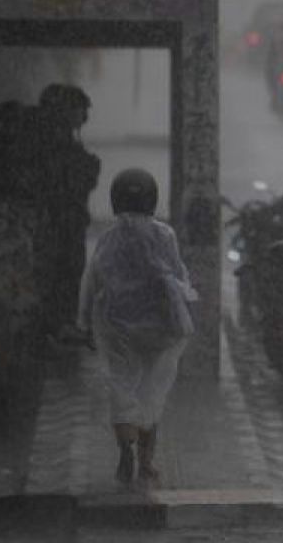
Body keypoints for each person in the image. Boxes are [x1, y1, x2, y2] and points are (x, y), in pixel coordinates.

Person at [76, 168, 197, 486]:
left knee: (122, 388)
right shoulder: (164, 235)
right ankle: (146, 463)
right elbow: (178, 276)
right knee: (151, 395)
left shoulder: (108, 238)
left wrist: (84, 322)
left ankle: (124, 453)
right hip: (159, 331)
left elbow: (91, 282)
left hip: (116, 329)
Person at [34, 84, 101, 336]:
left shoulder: (63, 140)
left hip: (68, 220)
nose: (84, 116)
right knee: (59, 273)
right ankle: (55, 325)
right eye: (79, 109)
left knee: (67, 272)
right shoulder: (51, 142)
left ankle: (59, 324)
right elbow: (61, 180)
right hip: (58, 222)